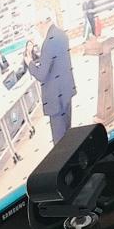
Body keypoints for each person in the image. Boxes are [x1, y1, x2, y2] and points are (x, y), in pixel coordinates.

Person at [25, 14, 77, 144]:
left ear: (41, 23)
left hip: (55, 97)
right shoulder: (61, 34)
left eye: (37, 26)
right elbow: (54, 61)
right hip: (66, 90)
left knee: (60, 142)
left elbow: (41, 75)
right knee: (68, 132)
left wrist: (29, 63)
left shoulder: (48, 42)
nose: (37, 30)